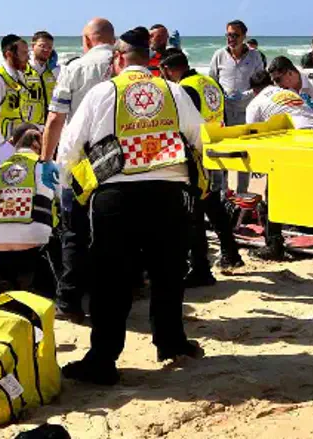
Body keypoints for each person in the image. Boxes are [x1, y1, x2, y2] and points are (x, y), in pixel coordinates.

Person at [57, 29, 205, 385]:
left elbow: (70, 147)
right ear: (150, 60)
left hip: (115, 198)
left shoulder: (103, 92)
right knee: (168, 273)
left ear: (118, 59)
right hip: (168, 195)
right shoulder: (173, 91)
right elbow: (199, 137)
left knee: (111, 280)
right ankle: (171, 343)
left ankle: (103, 359)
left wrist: (68, 185)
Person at [40, 18, 116, 322]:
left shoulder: (75, 68)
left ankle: (69, 300)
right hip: (118, 164)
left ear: (87, 40)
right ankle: (112, 294)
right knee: (113, 233)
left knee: (74, 232)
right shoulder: (123, 64)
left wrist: (46, 158)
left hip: (79, 162)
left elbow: (56, 117)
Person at [158, 48, 245, 285]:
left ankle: (200, 269)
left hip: (196, 155)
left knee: (194, 213)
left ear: (168, 69)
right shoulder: (209, 82)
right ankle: (231, 254)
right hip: (214, 149)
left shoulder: (184, 88)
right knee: (214, 207)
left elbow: (186, 123)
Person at [244, 70, 313, 261]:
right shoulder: (288, 93)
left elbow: (252, 137)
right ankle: (310, 226)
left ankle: (274, 245)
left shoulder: (255, 103)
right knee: (310, 186)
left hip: (299, 139)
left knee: (272, 191)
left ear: (254, 90)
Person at [0, 123, 56, 293]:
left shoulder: (1, 166)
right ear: (36, 144)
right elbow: (62, 196)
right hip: (32, 241)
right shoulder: (44, 165)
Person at [209, 20, 266, 194]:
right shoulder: (219, 55)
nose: (231, 39)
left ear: (244, 36)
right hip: (224, 112)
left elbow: (261, 83)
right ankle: (223, 193)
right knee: (223, 152)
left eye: (235, 35)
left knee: (243, 154)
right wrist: (220, 96)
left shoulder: (256, 56)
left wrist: (246, 95)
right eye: (228, 35)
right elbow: (211, 82)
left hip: (247, 112)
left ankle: (242, 192)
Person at [0, 35, 31, 149]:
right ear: (9, 54)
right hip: (2, 147)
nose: (28, 57)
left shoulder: (21, 77)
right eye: (24, 53)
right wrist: (3, 147)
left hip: (18, 145)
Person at [25, 31, 60, 128]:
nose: (46, 50)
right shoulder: (23, 69)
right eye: (42, 46)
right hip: (29, 126)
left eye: (50, 47)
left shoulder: (55, 71)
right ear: (33, 46)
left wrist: (54, 69)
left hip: (50, 125)